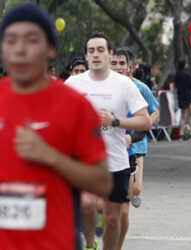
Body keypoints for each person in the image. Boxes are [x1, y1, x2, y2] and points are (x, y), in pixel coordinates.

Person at [0, 3, 112, 250]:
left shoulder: (75, 105)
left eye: (31, 41)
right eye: (10, 41)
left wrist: (51, 156)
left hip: (53, 242)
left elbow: (102, 182)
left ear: (50, 49)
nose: (19, 49)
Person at [65, 32, 151, 250]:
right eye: (91, 51)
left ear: (109, 53)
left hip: (115, 160)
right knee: (86, 204)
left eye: (101, 50)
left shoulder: (123, 84)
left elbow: (145, 121)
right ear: (86, 55)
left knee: (113, 218)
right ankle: (89, 244)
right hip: (84, 161)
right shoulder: (73, 83)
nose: (96, 55)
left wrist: (115, 121)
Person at [109, 48, 159, 250]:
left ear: (131, 67)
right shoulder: (100, 87)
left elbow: (153, 112)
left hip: (135, 146)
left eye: (123, 64)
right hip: (109, 151)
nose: (119, 67)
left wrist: (142, 126)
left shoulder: (140, 88)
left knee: (131, 196)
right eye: (115, 63)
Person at [176, 59, 191, 141]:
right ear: (185, 65)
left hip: (180, 96)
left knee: (182, 116)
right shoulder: (187, 74)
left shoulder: (177, 74)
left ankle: (180, 134)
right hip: (187, 96)